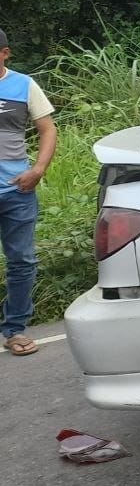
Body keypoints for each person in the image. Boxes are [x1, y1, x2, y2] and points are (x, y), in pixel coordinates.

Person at [0, 30, 56, 355]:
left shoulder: (24, 85)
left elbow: (47, 129)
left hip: (16, 190)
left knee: (21, 261)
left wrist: (37, 170)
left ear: (5, 53)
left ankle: (16, 329)